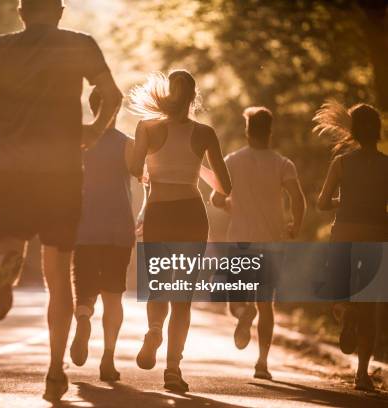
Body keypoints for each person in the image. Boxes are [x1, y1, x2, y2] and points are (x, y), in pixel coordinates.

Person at [0, 0, 122, 401]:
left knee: (10, 243)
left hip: (12, 170)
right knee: (58, 273)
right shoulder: (81, 44)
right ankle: (54, 368)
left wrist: (1, 94)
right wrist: (94, 132)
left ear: (21, 13)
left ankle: (3, 271)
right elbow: (112, 94)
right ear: (60, 11)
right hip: (63, 173)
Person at [128, 70, 231, 392]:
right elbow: (225, 186)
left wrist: (151, 169)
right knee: (182, 297)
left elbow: (133, 167)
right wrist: (195, 166)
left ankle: (154, 331)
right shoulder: (204, 133)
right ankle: (173, 370)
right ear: (193, 98)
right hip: (191, 214)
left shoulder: (147, 127)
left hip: (159, 212)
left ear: (166, 95)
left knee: (159, 285)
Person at [211, 107, 306, 380]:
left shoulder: (231, 161)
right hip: (273, 242)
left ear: (247, 131)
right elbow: (297, 199)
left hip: (241, 240)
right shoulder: (282, 163)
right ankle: (262, 363)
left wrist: (234, 207)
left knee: (235, 302)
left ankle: (243, 311)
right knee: (267, 305)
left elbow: (216, 200)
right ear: (270, 132)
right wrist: (295, 225)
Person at [315, 101, 387, 391]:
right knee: (371, 305)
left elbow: (321, 203)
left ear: (353, 131)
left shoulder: (342, 162)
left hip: (344, 232)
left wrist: (343, 202)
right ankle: (361, 374)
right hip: (377, 234)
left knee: (338, 293)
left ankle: (344, 312)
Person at [69, 88, 135, 382]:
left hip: (84, 228)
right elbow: (144, 176)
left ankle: (83, 318)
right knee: (113, 296)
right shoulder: (127, 144)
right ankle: (108, 359)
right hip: (118, 228)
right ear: (116, 110)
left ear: (91, 107)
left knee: (84, 290)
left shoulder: (78, 140)